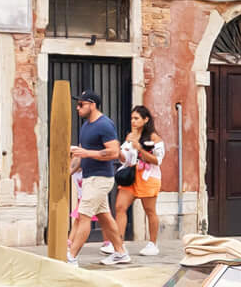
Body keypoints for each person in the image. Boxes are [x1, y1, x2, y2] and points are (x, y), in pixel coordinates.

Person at [66, 90, 124, 264]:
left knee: (83, 216)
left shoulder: (105, 125)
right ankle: (121, 252)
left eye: (81, 104)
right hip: (90, 178)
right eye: (78, 104)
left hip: (101, 178)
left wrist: (87, 153)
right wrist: (67, 173)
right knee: (104, 217)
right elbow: (80, 156)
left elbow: (114, 152)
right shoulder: (85, 126)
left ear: (92, 105)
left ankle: (72, 257)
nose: (77, 108)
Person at [112, 104, 167, 258]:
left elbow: (157, 160)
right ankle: (119, 243)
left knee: (149, 211)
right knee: (120, 207)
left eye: (136, 118)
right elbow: (125, 158)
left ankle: (152, 243)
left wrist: (140, 149)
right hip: (131, 177)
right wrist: (118, 152)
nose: (133, 121)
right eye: (132, 118)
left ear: (145, 119)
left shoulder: (154, 138)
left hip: (148, 178)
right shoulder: (130, 136)